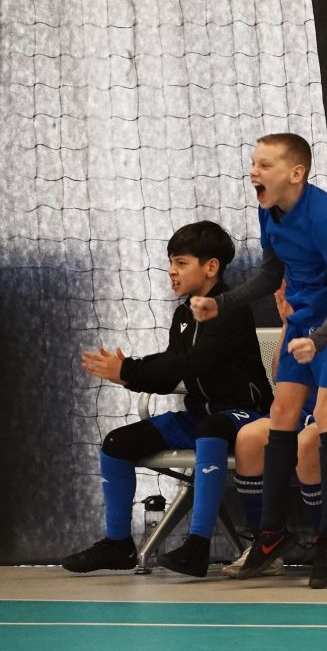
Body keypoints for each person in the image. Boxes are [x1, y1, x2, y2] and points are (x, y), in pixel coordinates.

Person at [189, 133, 327, 589]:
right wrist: (221, 303)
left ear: (296, 173)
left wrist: (319, 341)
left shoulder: (325, 218)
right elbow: (272, 274)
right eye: (253, 163)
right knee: (282, 413)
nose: (254, 172)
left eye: (265, 165)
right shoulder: (268, 210)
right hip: (305, 318)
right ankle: (271, 534)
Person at [62, 221, 271, 575]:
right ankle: (118, 544)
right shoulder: (184, 314)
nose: (171, 271)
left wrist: (128, 369)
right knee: (116, 444)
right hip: (200, 419)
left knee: (212, 427)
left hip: (245, 416)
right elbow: (172, 372)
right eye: (170, 262)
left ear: (211, 267)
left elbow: (192, 362)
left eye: (181, 262)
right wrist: (127, 375)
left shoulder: (231, 310)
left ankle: (198, 545)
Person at [222, 218, 327, 578]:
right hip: (308, 414)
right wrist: (288, 324)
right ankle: (266, 541)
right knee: (250, 437)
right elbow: (281, 375)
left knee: (309, 441)